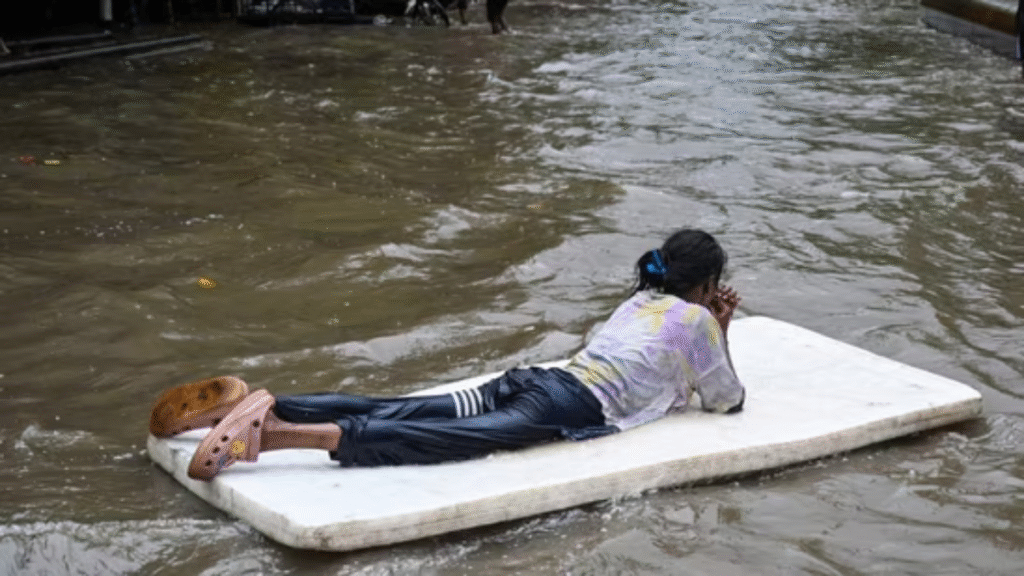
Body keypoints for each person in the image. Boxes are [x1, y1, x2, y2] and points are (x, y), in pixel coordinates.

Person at [149, 228, 745, 481]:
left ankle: (268, 402)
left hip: (535, 380)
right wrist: (721, 328)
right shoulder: (697, 321)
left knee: (410, 407)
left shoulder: (639, 301)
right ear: (707, 284)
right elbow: (725, 401)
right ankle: (278, 437)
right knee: (450, 440)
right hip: (568, 406)